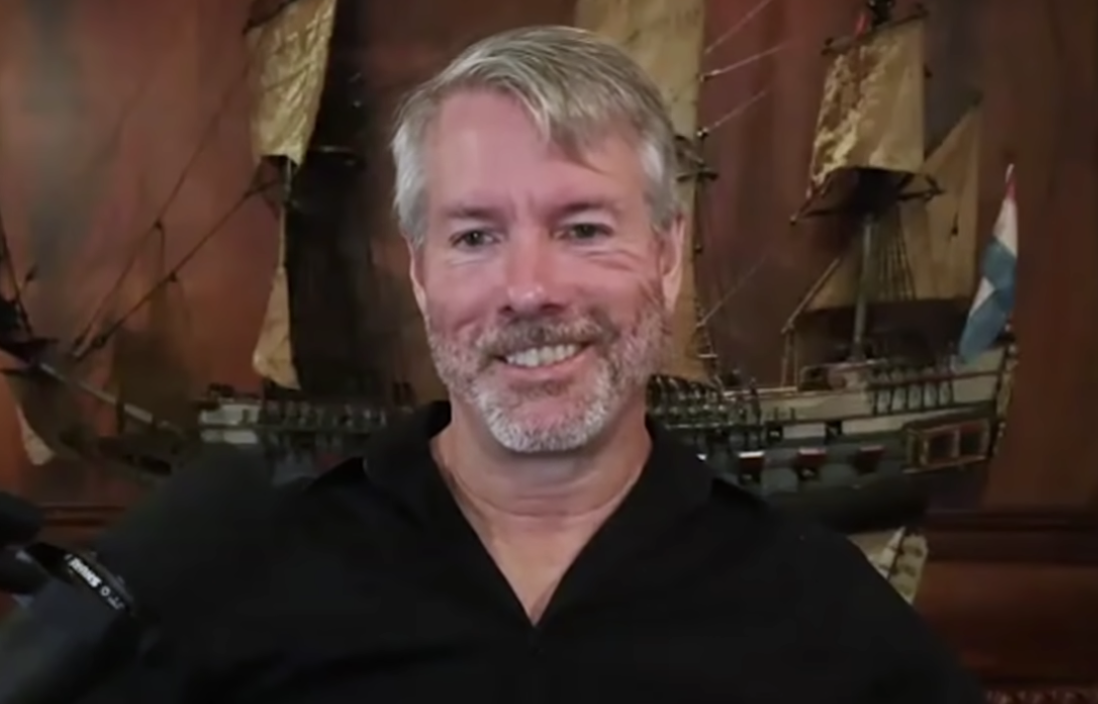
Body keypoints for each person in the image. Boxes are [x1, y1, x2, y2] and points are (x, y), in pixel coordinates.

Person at [80, 25, 983, 703]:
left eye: (582, 228)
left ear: (667, 256)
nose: (530, 289)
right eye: (475, 236)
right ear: (422, 272)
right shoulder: (248, 590)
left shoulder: (825, 613)